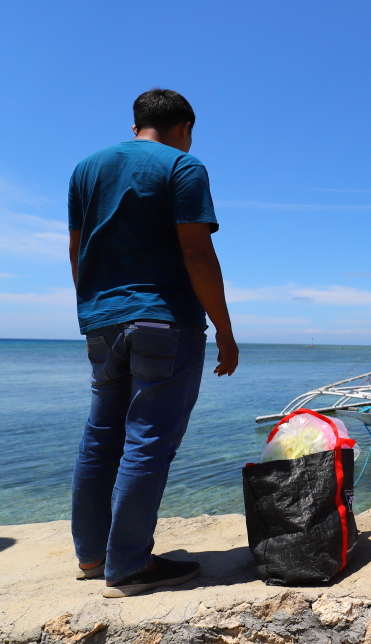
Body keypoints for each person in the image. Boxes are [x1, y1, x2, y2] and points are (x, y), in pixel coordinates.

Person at [68, 89, 238, 598]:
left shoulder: (86, 168)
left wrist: (93, 312)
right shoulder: (183, 167)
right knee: (148, 441)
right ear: (184, 126)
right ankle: (129, 566)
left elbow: (77, 250)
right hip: (165, 320)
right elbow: (197, 251)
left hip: (102, 319)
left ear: (136, 121)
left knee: (101, 435)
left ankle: (93, 555)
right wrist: (225, 331)